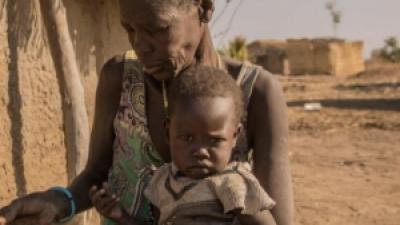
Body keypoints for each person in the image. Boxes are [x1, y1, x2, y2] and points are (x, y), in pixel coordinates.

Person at [0, 1, 292, 225]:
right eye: (130, 29)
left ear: (203, 7)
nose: (141, 45)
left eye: (157, 29)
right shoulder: (119, 78)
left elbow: (278, 218)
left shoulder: (256, 92)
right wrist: (60, 201)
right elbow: (95, 174)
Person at [90, 66, 277, 225]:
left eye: (214, 140)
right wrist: (119, 215)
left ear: (234, 136)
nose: (200, 151)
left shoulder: (232, 184)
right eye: (188, 138)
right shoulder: (162, 182)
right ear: (167, 132)